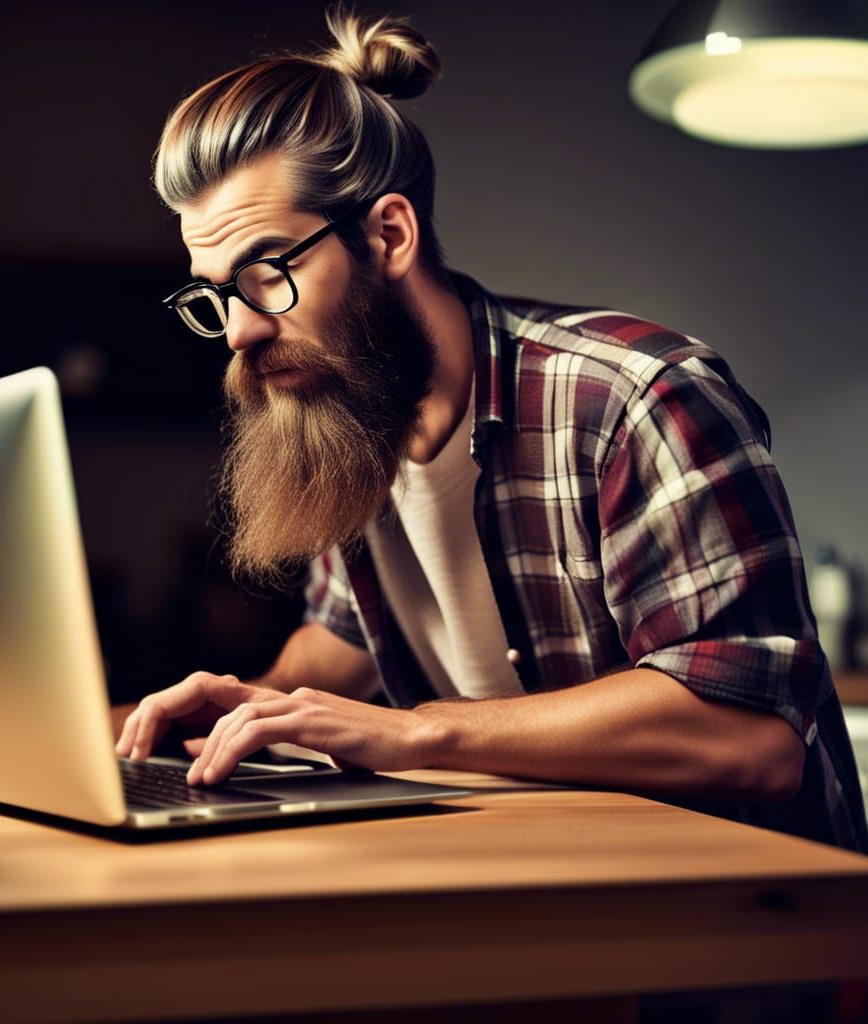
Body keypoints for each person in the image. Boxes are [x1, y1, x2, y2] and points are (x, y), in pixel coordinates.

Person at [115, 8, 867, 852]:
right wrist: (241, 703)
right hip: (531, 886)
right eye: (215, 295)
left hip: (731, 932)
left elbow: (754, 739)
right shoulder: (347, 414)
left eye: (266, 272)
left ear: (389, 234)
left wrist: (420, 732)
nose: (242, 329)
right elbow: (337, 654)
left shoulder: (635, 400)